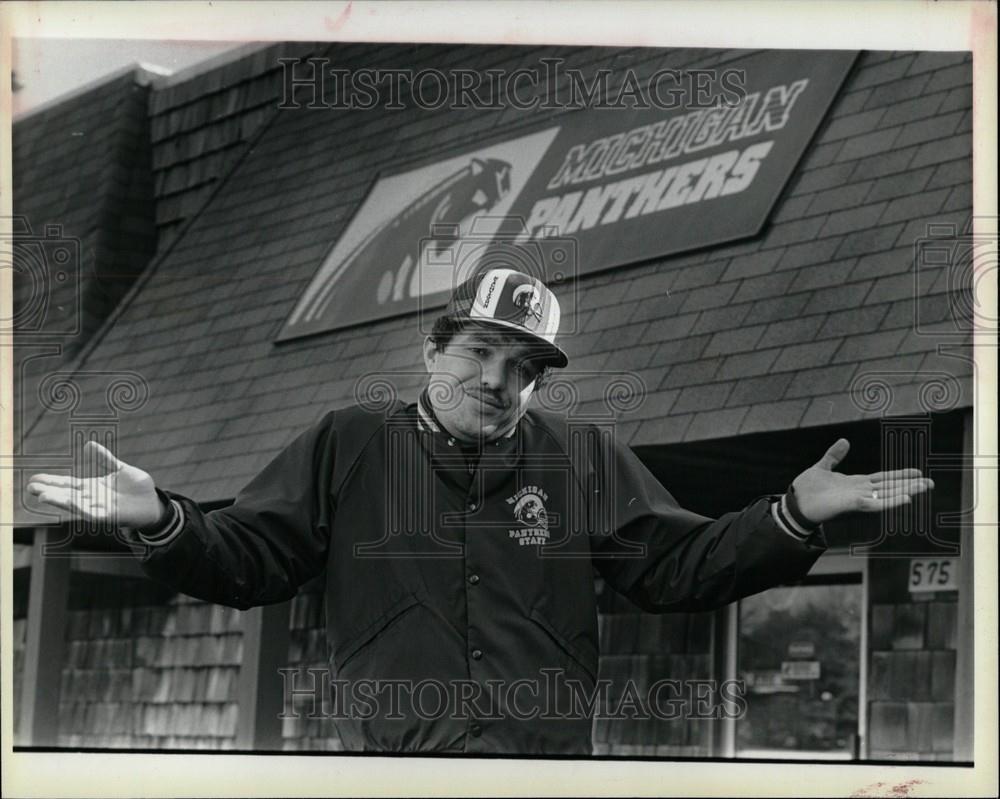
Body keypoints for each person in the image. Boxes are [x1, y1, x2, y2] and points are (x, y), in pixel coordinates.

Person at [28, 267, 934, 755]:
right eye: (481, 351)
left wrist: (791, 515)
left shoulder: (582, 457)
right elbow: (248, 559)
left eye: (525, 367)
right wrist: (160, 520)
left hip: (538, 771)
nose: (499, 380)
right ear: (432, 350)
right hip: (394, 770)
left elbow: (674, 568)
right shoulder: (349, 442)